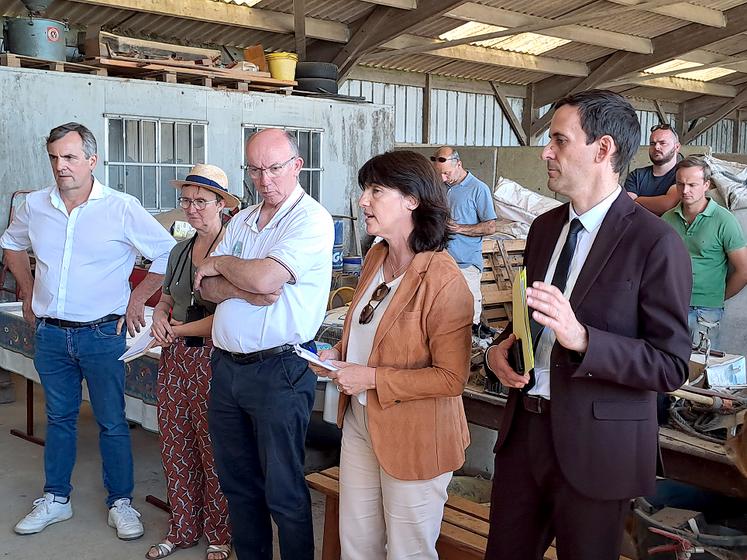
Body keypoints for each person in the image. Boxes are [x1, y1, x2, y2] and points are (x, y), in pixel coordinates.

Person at [484, 90, 692, 560]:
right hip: (525, 436)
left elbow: (671, 364)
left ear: (603, 149)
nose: (546, 153)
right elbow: (533, 318)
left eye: (559, 140)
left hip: (598, 449)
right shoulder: (543, 229)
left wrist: (583, 340)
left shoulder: (654, 243)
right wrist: (501, 348)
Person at [1, 122, 175, 539]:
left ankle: (121, 503)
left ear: (92, 161)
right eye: (55, 157)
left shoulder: (120, 207)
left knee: (112, 422)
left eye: (70, 157)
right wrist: (26, 290)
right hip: (52, 334)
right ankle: (56, 499)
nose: (61, 166)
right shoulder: (37, 205)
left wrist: (138, 300)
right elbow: (11, 243)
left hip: (101, 334)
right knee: (59, 418)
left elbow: (167, 252)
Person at [318, 150, 473, 560]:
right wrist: (338, 351)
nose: (363, 201)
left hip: (417, 434)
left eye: (376, 191)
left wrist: (368, 378)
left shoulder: (443, 279)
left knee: (407, 551)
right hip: (361, 420)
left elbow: (451, 378)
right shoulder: (376, 256)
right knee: (357, 544)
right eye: (364, 190)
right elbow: (367, 327)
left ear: (412, 200)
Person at [194, 128, 333, 560]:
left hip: (279, 372)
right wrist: (242, 285)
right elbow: (205, 287)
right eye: (254, 169)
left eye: (274, 168)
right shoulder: (241, 220)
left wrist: (222, 264)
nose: (264, 179)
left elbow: (266, 279)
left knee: (284, 490)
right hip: (228, 369)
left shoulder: (311, 219)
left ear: (297, 165)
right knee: (238, 485)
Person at [146, 164, 242, 560]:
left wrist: (178, 330)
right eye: (186, 200)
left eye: (201, 201)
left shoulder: (232, 253)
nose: (192, 209)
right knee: (174, 442)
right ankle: (182, 527)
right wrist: (158, 315)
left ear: (222, 204)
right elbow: (169, 296)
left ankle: (219, 533)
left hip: (212, 358)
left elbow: (229, 314)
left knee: (212, 448)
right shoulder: (180, 249)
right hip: (175, 358)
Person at [661, 156, 747, 350]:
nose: (685, 190)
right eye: (680, 184)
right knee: (669, 366)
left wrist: (716, 297)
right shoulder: (667, 219)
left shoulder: (724, 220)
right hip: (672, 306)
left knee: (701, 370)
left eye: (692, 184)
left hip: (706, 311)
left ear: (706, 185)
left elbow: (744, 270)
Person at [431, 146, 497, 336]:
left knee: (468, 314)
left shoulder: (478, 189)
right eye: (439, 175)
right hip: (440, 262)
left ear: (458, 164)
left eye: (446, 173)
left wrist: (459, 228)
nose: (443, 178)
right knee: (441, 314)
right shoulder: (441, 187)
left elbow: (490, 226)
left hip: (465, 264)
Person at [624, 123, 681, 215]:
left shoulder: (682, 174)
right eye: (652, 143)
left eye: (662, 143)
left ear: (677, 147)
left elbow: (667, 204)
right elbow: (627, 206)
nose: (656, 147)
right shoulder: (636, 175)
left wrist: (637, 200)